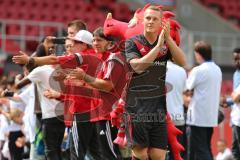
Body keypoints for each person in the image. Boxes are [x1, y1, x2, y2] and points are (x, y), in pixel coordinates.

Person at [124, 5, 186, 160]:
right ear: (142, 21)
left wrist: (168, 39)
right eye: (148, 18)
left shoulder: (166, 45)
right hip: (136, 110)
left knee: (158, 156)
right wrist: (158, 47)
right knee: (141, 155)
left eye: (155, 19)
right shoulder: (132, 42)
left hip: (158, 110)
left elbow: (182, 62)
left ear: (161, 23)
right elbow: (138, 67)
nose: (150, 22)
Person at [186, 41, 222, 160]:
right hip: (210, 116)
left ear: (198, 54)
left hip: (198, 116)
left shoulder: (198, 70)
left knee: (200, 150)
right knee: (206, 148)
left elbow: (186, 88)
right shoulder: (217, 69)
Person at [166, 60, 187, 160]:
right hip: (178, 117)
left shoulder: (154, 68)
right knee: (176, 154)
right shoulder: (181, 71)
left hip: (158, 118)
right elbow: (184, 91)